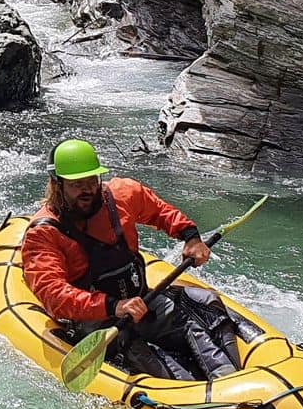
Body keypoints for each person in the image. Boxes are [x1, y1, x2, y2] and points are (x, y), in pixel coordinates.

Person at [20, 138, 241, 380]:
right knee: (132, 345)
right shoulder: (44, 232)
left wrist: (190, 236)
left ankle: (232, 379)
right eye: (76, 184)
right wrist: (114, 306)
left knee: (199, 313)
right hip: (95, 321)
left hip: (141, 300)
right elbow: (53, 294)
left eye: (92, 181)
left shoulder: (122, 194)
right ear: (57, 185)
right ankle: (197, 397)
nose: (87, 190)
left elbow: (160, 211)